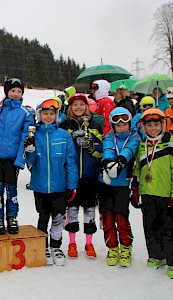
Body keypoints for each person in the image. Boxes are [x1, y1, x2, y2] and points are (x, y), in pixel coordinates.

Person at [25, 98, 78, 266]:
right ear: (39, 116)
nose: (48, 117)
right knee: (43, 216)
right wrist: (30, 151)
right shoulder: (34, 134)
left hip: (59, 185)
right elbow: (30, 163)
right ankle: (43, 247)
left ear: (57, 115)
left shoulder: (64, 135)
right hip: (40, 185)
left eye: (51, 114)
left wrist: (72, 185)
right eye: (45, 114)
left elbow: (70, 162)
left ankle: (56, 246)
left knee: (57, 217)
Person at [0, 78, 33, 235]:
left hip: (12, 158)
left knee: (11, 189)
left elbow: (26, 138)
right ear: (7, 92)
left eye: (19, 91)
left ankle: (12, 217)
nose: (16, 94)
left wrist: (20, 159)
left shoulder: (25, 113)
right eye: (13, 91)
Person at [59, 93, 103, 259]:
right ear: (70, 108)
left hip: (89, 175)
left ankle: (89, 242)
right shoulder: (65, 125)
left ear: (87, 107)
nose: (78, 107)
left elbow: (101, 150)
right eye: (75, 105)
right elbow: (61, 148)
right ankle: (72, 242)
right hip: (71, 176)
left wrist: (91, 144)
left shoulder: (95, 124)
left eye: (81, 104)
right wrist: (72, 139)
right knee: (72, 209)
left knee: (89, 210)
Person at [131, 108, 173, 278]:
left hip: (166, 194)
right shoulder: (142, 145)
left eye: (157, 124)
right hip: (147, 193)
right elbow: (137, 169)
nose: (153, 128)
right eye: (149, 125)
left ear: (163, 124)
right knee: (150, 225)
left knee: (169, 229)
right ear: (143, 126)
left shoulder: (170, 144)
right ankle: (156, 255)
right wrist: (135, 188)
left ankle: (171, 260)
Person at [98, 107, 140, 267]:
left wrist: (122, 160)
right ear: (113, 126)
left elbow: (131, 150)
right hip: (106, 184)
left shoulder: (134, 137)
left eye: (124, 124)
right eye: (118, 124)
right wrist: (107, 162)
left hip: (122, 184)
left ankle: (126, 247)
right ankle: (112, 247)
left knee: (121, 216)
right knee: (107, 216)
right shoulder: (109, 137)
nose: (121, 127)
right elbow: (108, 149)